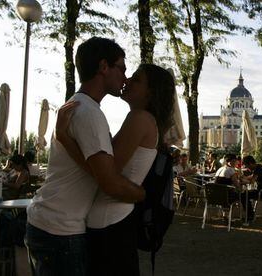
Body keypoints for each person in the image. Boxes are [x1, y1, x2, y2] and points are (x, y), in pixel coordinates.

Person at [25, 37, 146, 276]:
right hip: (61, 230)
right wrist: (141, 194)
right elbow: (109, 181)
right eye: (121, 68)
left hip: (47, 220)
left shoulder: (77, 106)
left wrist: (66, 140)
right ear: (103, 67)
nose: (125, 77)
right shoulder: (89, 114)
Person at [56, 63, 175, 275]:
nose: (127, 80)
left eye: (136, 79)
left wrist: (64, 138)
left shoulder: (139, 118)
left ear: (151, 92)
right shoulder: (145, 121)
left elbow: (106, 173)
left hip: (110, 223)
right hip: (114, 221)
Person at [241, 155, 262, 221]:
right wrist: (242, 177)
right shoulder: (258, 167)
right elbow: (251, 176)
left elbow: (252, 181)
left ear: (250, 163)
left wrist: (242, 182)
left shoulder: (259, 168)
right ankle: (250, 214)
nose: (247, 169)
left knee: (244, 195)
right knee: (245, 194)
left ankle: (250, 216)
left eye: (247, 166)